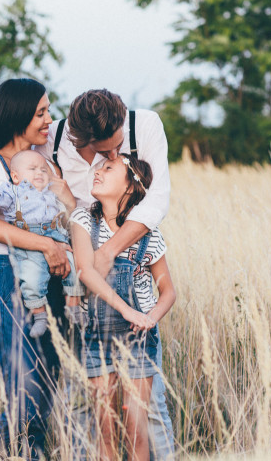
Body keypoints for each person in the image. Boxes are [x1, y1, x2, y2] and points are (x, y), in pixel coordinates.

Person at [0, 88, 176, 459]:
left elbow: (146, 203)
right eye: (41, 113)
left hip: (80, 277)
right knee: (43, 391)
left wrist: (96, 249)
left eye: (117, 148)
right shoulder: (29, 149)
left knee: (62, 388)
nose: (113, 156)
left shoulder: (52, 152)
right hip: (38, 276)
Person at [0, 78, 73, 458]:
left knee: (46, 387)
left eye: (48, 111)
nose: (49, 119)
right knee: (24, 390)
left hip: (55, 283)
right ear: (18, 114)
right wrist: (47, 244)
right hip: (11, 279)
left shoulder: (45, 158)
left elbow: (67, 214)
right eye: (41, 112)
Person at [69, 154, 176, 461]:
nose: (97, 172)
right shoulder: (83, 221)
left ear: (131, 186)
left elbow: (168, 292)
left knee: (136, 432)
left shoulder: (148, 234)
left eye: (108, 168)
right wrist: (126, 309)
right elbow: (85, 272)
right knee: (105, 432)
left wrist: (149, 318)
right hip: (96, 338)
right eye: (98, 168)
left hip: (138, 339)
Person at [0, 149, 85, 338]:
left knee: (75, 265)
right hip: (28, 240)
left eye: (44, 170)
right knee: (32, 278)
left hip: (56, 237)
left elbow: (65, 216)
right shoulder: (13, 192)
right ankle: (40, 316)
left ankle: (74, 307)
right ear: (16, 176)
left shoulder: (50, 192)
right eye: (33, 169)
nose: (40, 173)